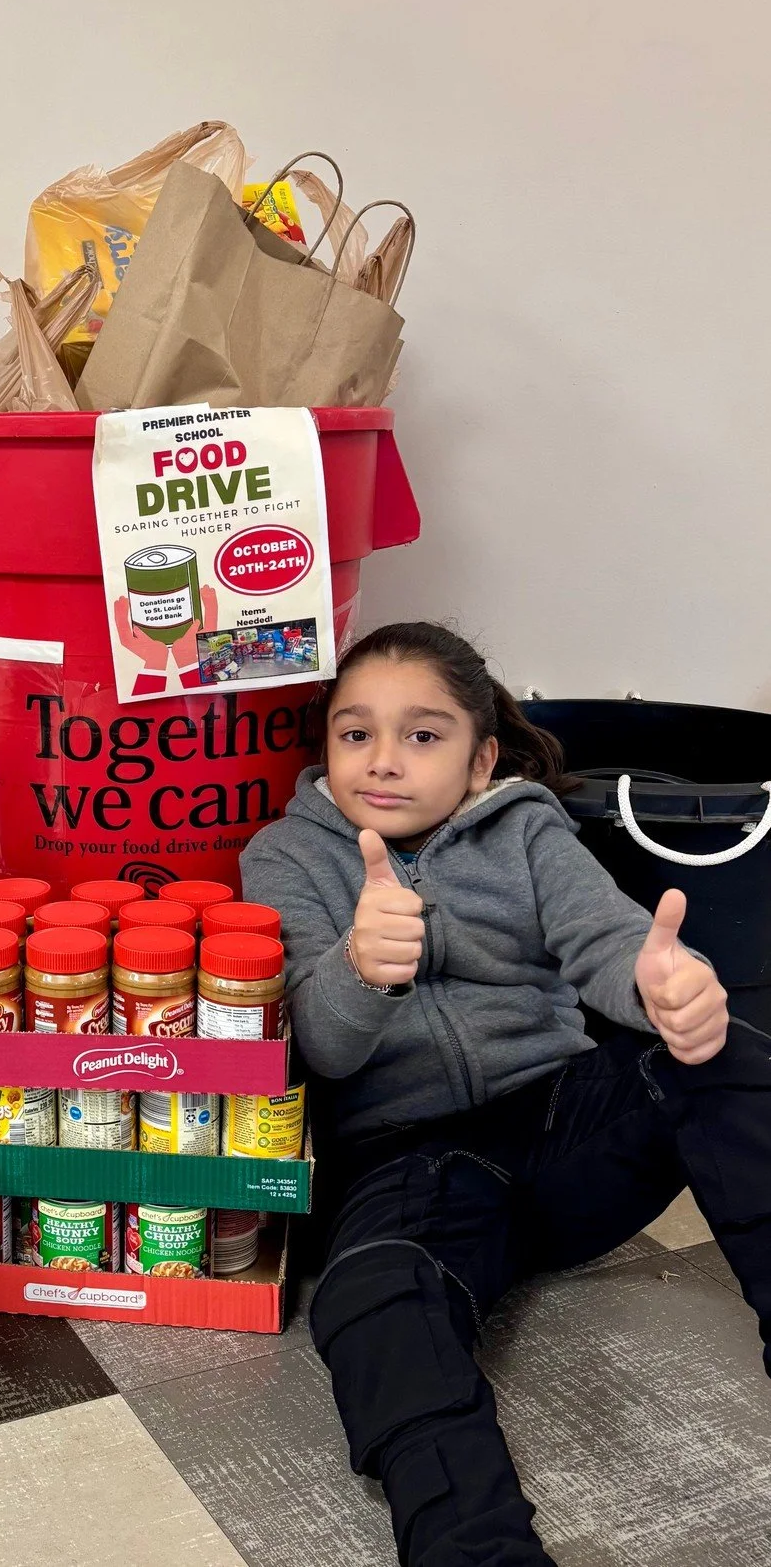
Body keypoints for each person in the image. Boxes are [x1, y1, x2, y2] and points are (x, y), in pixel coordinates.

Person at [241, 621, 770, 1567]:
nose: (384, 761)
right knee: (369, 1297)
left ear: (481, 758)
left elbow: (608, 942)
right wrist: (360, 967)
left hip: (561, 1125)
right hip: (407, 1162)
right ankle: (472, 1549)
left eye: (424, 735)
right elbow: (315, 1047)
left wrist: (666, 986)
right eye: (355, 734)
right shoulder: (284, 856)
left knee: (729, 1051)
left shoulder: (525, 827)